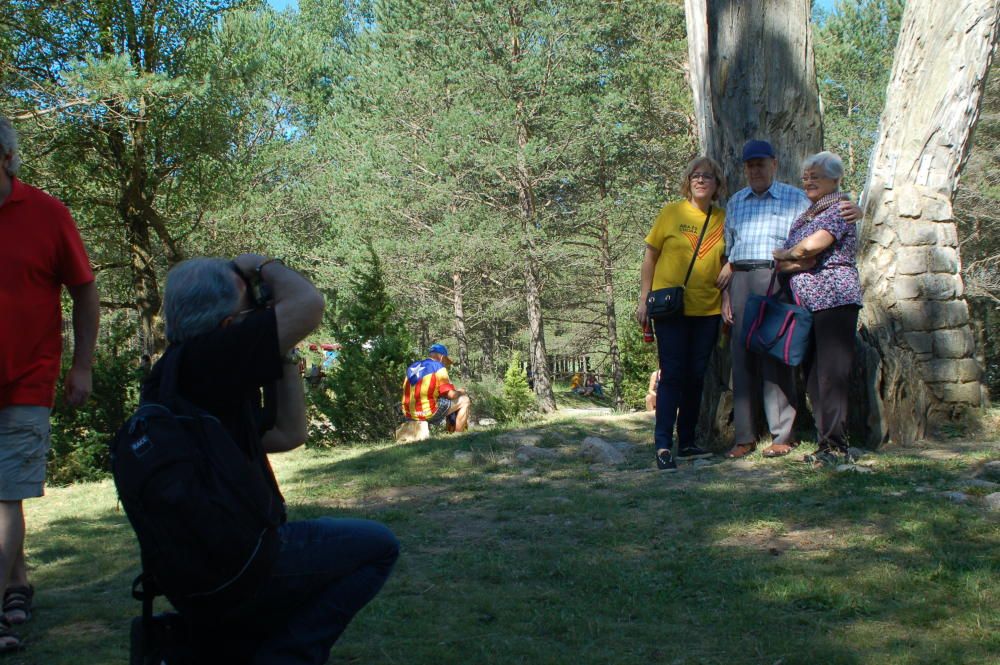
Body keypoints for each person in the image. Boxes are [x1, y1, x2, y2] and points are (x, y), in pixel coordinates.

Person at [146, 255, 399, 663]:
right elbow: (309, 304)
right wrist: (263, 266)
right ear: (229, 324)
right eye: (252, 311)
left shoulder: (175, 372)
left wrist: (281, 350)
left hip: (198, 569)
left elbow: (287, 434)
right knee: (377, 547)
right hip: (242, 563)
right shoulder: (212, 356)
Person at [0, 116, 99, 653]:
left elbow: (85, 291)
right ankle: (15, 584)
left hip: (26, 379)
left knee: (6, 495)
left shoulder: (46, 213)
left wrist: (81, 366)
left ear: (5, 156)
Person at [718, 140, 861, 459]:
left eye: (761, 164)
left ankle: (784, 434)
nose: (755, 170)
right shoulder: (736, 201)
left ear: (774, 164)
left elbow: (817, 241)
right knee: (740, 357)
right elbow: (728, 251)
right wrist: (725, 295)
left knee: (777, 354)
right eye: (750, 165)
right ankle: (743, 436)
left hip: (779, 279)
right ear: (744, 168)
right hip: (740, 278)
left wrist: (857, 207)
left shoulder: (798, 199)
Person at [636, 155, 727, 471]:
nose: (701, 180)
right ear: (688, 182)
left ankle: (687, 441)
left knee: (696, 377)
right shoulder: (671, 213)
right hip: (671, 309)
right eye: (695, 176)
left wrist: (729, 266)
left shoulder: (722, 219)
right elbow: (650, 257)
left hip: (708, 310)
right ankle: (663, 444)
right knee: (672, 374)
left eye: (708, 176)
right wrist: (643, 298)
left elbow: (734, 254)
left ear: (717, 185)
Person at [772, 151, 862, 465]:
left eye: (816, 176)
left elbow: (812, 248)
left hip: (835, 299)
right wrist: (792, 259)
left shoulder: (840, 209)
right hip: (807, 304)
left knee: (832, 375)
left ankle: (836, 446)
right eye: (806, 176)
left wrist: (787, 254)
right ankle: (826, 443)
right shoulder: (807, 214)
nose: (808, 180)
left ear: (835, 180)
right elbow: (796, 260)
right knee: (812, 375)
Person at [401, 343, 471, 433]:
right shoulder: (438, 366)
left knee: (447, 401)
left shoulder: (413, 367)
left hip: (408, 414)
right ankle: (457, 434)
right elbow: (451, 395)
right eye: (445, 361)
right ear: (441, 357)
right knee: (464, 400)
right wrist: (461, 391)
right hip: (427, 412)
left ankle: (451, 430)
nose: (445, 364)